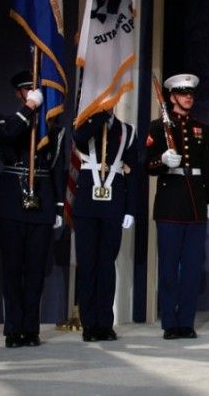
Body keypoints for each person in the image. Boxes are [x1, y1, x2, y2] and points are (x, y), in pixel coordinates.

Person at [0, 70, 64, 348]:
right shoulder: (2, 121)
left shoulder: (53, 131)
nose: (32, 93)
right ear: (19, 93)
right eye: (27, 90)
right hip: (11, 203)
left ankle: (30, 329)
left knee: (34, 270)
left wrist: (57, 206)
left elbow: (56, 169)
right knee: (13, 268)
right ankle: (13, 328)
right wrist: (29, 108)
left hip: (40, 202)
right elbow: (9, 135)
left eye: (35, 90)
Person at [145, 73, 209, 340]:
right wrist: (163, 160)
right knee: (168, 268)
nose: (189, 97)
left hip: (196, 205)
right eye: (184, 93)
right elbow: (147, 165)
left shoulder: (201, 128)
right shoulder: (157, 127)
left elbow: (208, 167)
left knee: (191, 267)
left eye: (191, 93)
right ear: (172, 97)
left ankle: (186, 321)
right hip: (170, 206)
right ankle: (170, 323)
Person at [72, 110, 137, 342]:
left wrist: (130, 208)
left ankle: (105, 324)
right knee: (88, 264)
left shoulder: (127, 131)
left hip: (114, 203)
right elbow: (79, 138)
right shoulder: (84, 125)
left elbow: (132, 172)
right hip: (87, 204)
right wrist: (98, 117)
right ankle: (89, 324)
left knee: (107, 265)